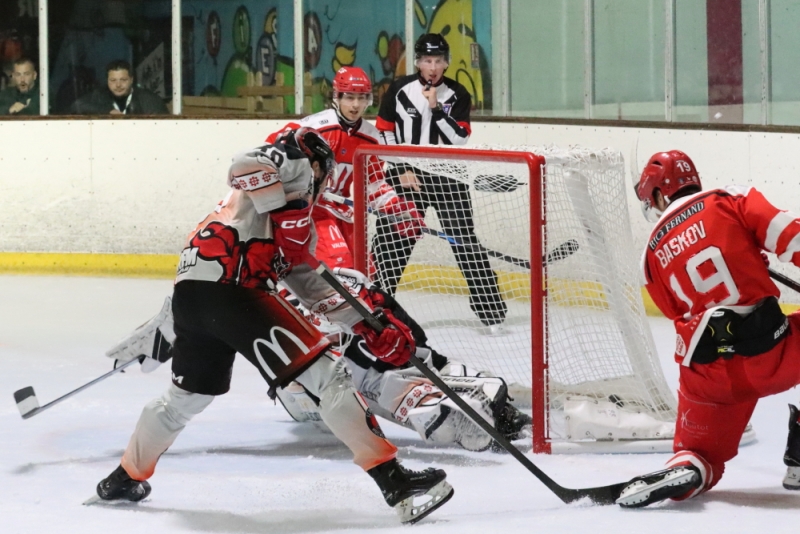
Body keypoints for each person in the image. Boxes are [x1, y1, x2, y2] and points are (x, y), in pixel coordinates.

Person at [94, 128, 454, 525]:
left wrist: (367, 326)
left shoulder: (280, 222)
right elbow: (244, 163)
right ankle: (395, 482)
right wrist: (291, 207)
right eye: (323, 175)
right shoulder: (286, 168)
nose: (322, 185)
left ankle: (124, 477)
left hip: (193, 296)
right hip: (236, 291)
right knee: (329, 378)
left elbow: (309, 284)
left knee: (184, 399)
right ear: (316, 166)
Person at [262, 66, 530, 450]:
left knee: (368, 299)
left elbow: (373, 186)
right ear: (335, 97)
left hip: (350, 230)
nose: (355, 105)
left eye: (361, 98)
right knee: (345, 298)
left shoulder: (371, 137)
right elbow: (271, 161)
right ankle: (333, 373)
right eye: (349, 97)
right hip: (314, 227)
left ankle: (412, 365)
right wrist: (313, 195)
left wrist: (400, 209)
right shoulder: (313, 129)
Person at [616, 150, 800, 508]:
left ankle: (690, 466)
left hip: (707, 377)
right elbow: (793, 238)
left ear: (659, 194)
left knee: (700, 453)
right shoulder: (730, 199)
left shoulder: (648, 257)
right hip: (772, 352)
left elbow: (676, 312)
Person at [373, 33, 507, 327]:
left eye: (438, 61)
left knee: (464, 242)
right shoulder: (399, 89)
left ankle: (492, 313)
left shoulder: (458, 94)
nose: (432, 67)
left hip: (448, 176)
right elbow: (383, 131)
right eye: (426, 60)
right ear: (417, 62)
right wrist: (400, 167)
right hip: (407, 176)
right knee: (391, 243)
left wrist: (435, 109)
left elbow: (459, 139)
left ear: (446, 63)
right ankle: (374, 308)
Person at [70, 59, 168, 115]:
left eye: (123, 80)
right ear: (107, 81)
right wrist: (108, 111)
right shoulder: (100, 95)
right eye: (113, 80)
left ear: (131, 80)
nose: (118, 85)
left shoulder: (148, 99)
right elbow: (76, 106)